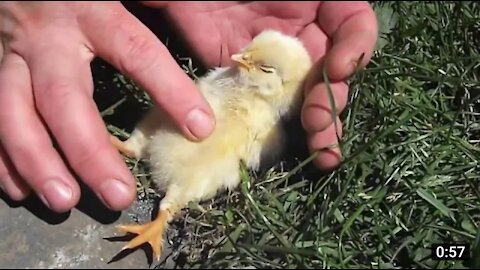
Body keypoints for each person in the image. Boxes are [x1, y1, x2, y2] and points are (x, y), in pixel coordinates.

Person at [0, 1, 378, 213]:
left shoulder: (261, 122)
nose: (239, 59)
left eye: (257, 63)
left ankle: (164, 209)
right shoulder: (233, 80)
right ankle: (131, 148)